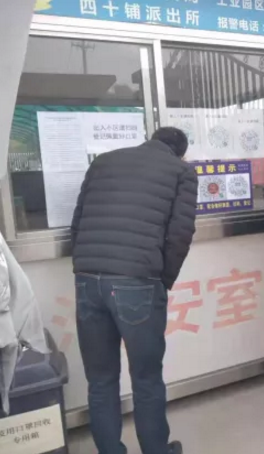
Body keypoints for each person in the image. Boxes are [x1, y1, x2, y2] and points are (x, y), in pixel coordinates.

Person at [71, 127, 198, 454]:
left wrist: (86, 267)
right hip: (137, 282)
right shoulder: (181, 171)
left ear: (151, 139)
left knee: (100, 380)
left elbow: (78, 221)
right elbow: (180, 233)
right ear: (180, 152)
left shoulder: (102, 162)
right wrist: (162, 279)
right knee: (146, 379)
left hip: (87, 280)